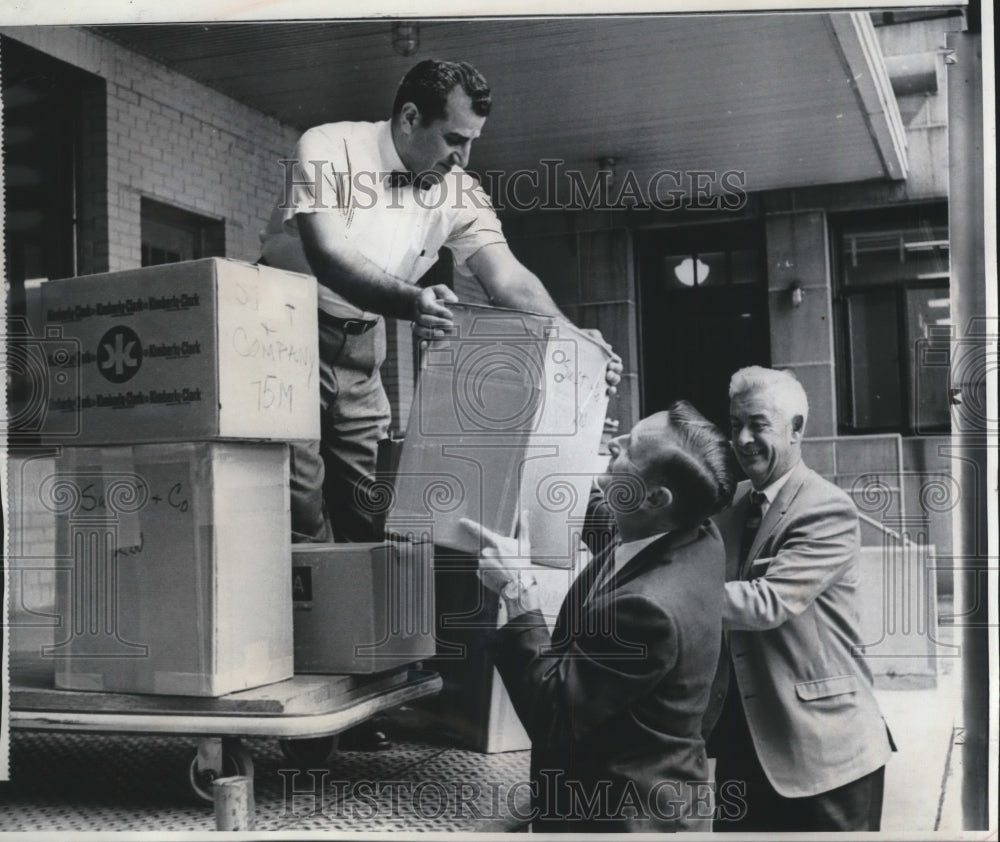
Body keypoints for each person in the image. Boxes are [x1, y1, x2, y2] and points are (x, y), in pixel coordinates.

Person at [259, 58, 621, 544]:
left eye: (473, 142)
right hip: (284, 337)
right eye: (454, 140)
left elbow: (509, 278)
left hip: (363, 350)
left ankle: (359, 615)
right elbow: (329, 257)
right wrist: (413, 302)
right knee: (298, 504)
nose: (464, 159)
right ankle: (306, 615)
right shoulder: (327, 147)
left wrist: (578, 343)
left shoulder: (459, 191)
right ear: (410, 118)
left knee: (370, 508)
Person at [461, 401, 736, 832]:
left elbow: (553, 714)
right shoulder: (691, 531)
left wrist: (518, 591)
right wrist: (576, 410)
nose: (615, 442)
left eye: (629, 449)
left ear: (654, 498)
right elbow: (603, 515)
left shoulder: (649, 611)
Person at [705, 366, 894, 832]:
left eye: (758, 424)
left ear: (796, 429)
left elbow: (765, 604)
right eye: (735, 425)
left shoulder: (826, 507)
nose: (743, 439)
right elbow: (675, 550)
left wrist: (663, 597)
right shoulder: (731, 504)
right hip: (745, 746)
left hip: (824, 755)